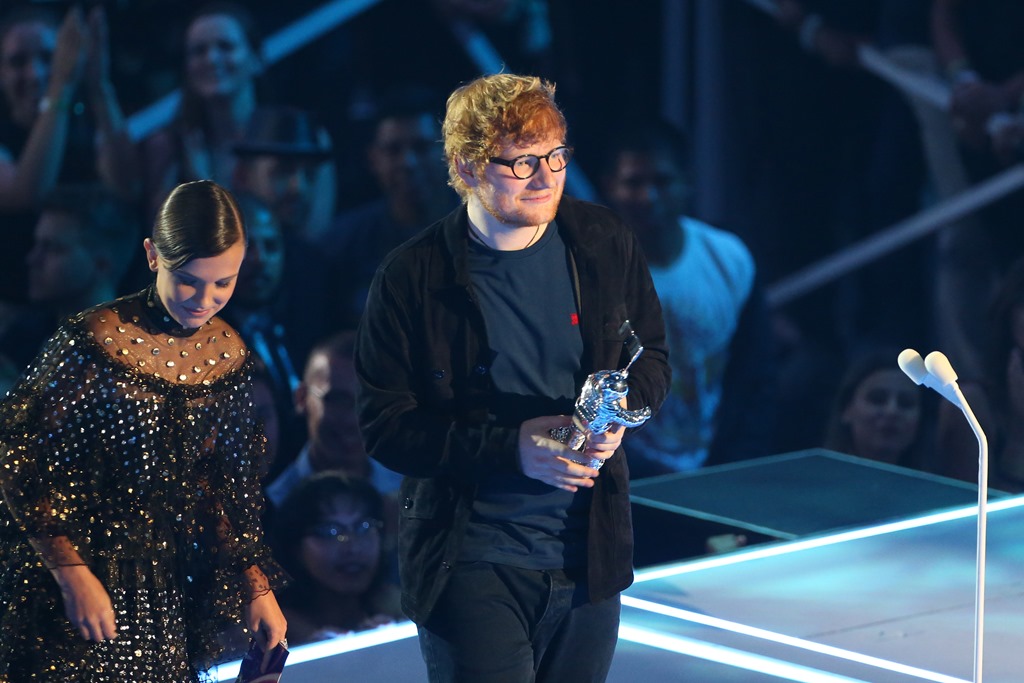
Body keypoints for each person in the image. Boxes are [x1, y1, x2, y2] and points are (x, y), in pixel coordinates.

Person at [355, 73, 669, 682]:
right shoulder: (411, 276)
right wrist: (511, 448)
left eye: (556, 155)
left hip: (589, 556)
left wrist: (619, 417)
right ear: (467, 168)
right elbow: (386, 428)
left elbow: (651, 355)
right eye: (523, 162)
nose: (548, 176)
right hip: (470, 559)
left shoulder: (602, 240)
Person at [0, 180, 287, 682]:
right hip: (71, 580)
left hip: (164, 594)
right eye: (190, 280)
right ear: (153, 256)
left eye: (224, 282)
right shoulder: (95, 340)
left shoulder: (227, 356)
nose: (205, 299)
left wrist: (257, 588)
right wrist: (70, 574)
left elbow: (218, 488)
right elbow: (16, 456)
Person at [601, 121, 775, 476]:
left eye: (662, 182)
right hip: (623, 472)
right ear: (611, 188)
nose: (649, 197)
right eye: (634, 183)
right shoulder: (591, 273)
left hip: (716, 464)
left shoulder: (728, 260)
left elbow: (754, 373)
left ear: (686, 182)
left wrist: (736, 461)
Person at [0, 4, 138, 304]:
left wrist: (99, 84)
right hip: (15, 309)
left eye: (49, 58)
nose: (34, 74)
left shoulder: (88, 123)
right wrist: (60, 87)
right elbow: (26, 194)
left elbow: (128, 189)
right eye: (17, 62)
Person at [323, 86, 457, 328]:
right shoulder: (342, 245)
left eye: (421, 147)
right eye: (394, 150)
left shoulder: (490, 233)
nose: (408, 163)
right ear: (373, 159)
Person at [0, 183, 138, 369]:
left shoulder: (128, 357)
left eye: (53, 248)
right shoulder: (27, 332)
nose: (33, 259)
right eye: (37, 244)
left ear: (101, 264)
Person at [270, 472, 402, 645]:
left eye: (363, 527)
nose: (352, 548)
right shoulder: (269, 631)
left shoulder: (400, 609)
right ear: (295, 548)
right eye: (329, 531)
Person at [822, 349, 925, 468]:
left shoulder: (933, 485)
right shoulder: (814, 481)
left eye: (906, 403)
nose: (892, 411)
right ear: (847, 409)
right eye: (877, 399)